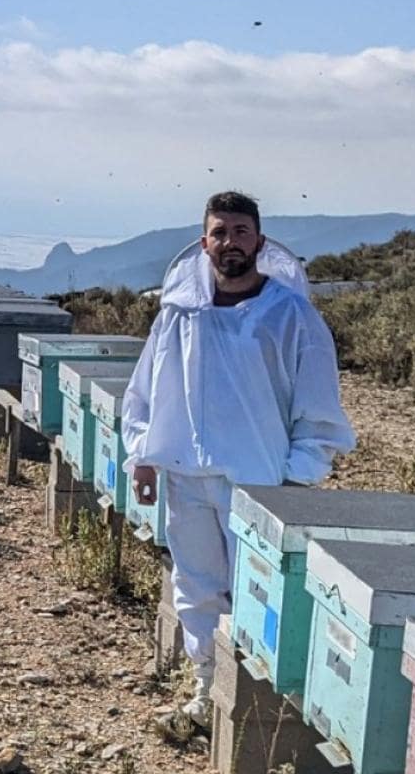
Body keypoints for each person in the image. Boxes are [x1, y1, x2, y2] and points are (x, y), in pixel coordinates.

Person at [121, 191, 356, 734]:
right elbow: (147, 390)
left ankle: (257, 706)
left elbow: (318, 403)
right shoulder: (178, 312)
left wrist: (299, 474)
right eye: (220, 232)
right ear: (204, 243)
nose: (230, 243)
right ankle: (210, 692)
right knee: (198, 584)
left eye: (241, 232)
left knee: (260, 592)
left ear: (260, 241)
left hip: (258, 479)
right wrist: (144, 457)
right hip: (184, 474)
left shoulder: (291, 314)